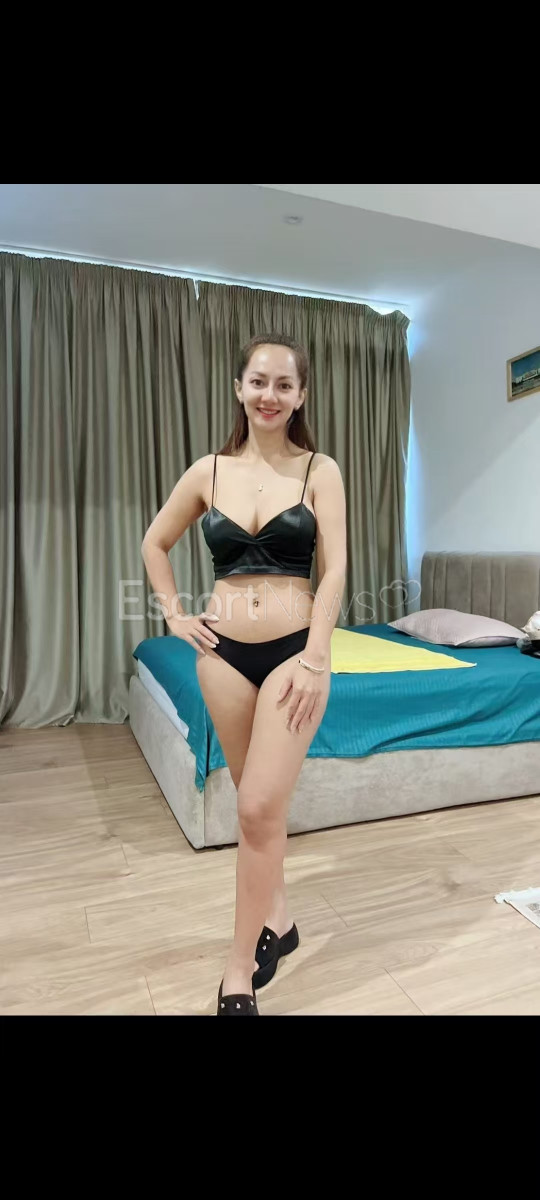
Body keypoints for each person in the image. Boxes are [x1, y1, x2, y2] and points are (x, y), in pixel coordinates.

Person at [141, 333, 347, 1014]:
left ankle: (238, 968)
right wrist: (174, 616)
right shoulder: (209, 471)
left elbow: (335, 571)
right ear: (239, 388)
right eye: (259, 381)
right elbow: (154, 542)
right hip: (222, 658)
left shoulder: (320, 469)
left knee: (258, 807)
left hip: (293, 652)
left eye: (285, 384)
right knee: (258, 809)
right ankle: (279, 919)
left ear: (301, 395)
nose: (270, 395)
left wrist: (316, 656)